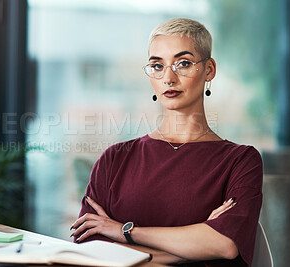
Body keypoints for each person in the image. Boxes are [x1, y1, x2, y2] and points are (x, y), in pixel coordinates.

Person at [70, 18, 263, 267]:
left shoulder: (241, 160)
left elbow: (224, 245)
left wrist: (124, 232)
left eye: (183, 63)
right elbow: (89, 249)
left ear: (209, 70)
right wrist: (193, 245)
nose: (168, 78)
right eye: (157, 65)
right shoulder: (115, 158)